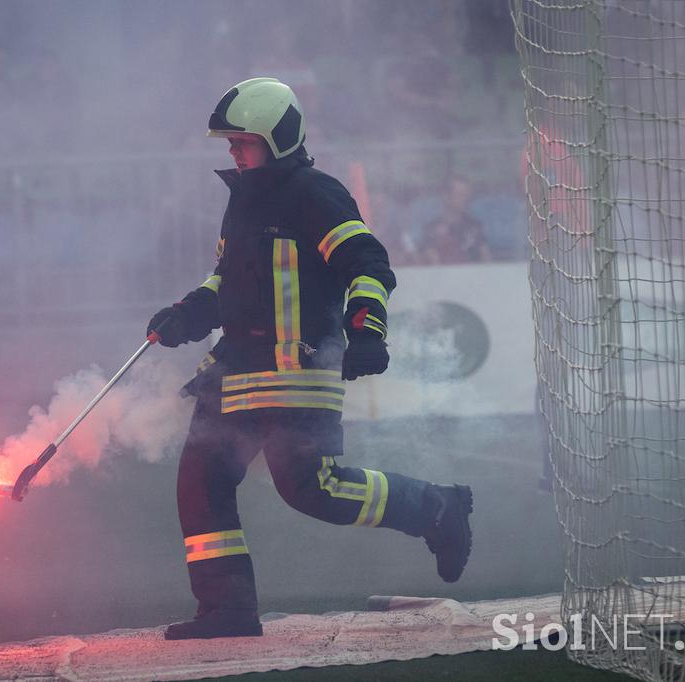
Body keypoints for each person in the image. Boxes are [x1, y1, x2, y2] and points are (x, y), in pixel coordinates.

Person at [147, 78, 474, 640]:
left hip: (295, 371)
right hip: (236, 368)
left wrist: (367, 329)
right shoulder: (244, 201)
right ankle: (227, 610)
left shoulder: (313, 194)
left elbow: (366, 262)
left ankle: (437, 509)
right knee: (200, 481)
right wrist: (190, 310)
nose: (232, 152)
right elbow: (227, 280)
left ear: (277, 138)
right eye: (229, 144)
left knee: (310, 489)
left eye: (241, 142)